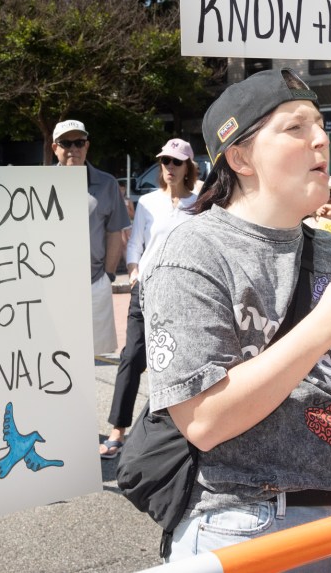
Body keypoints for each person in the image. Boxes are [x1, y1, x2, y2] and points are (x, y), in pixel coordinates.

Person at [143, 69, 331, 568]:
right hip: (247, 527)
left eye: (321, 125)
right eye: (295, 128)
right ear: (239, 157)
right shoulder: (192, 250)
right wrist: (325, 325)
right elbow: (204, 420)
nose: (321, 139)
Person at [99, 137, 200, 459]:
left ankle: (178, 432)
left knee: (181, 362)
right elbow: (135, 245)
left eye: (176, 162)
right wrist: (132, 270)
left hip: (183, 295)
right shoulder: (147, 203)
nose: (169, 167)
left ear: (188, 167)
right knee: (132, 357)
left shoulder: (201, 204)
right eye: (164, 161)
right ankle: (118, 429)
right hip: (146, 290)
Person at [52, 119, 129, 357]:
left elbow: (115, 231)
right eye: (66, 143)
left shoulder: (107, 184)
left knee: (91, 356)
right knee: (54, 350)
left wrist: (108, 275)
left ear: (87, 146)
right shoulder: (39, 183)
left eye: (79, 142)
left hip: (94, 281)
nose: (73, 149)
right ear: (55, 148)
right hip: (53, 284)